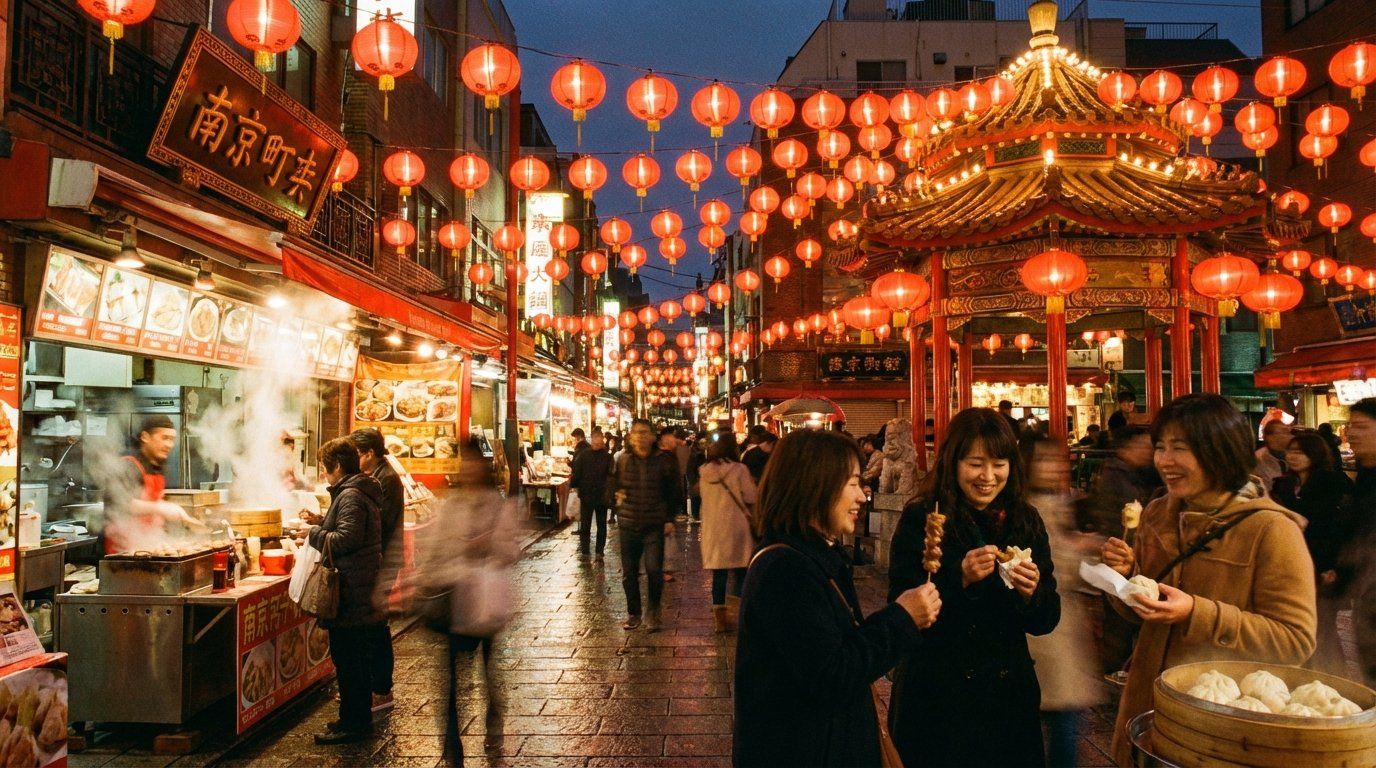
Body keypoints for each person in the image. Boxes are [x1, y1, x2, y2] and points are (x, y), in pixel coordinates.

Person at [1099, 394, 1316, 766]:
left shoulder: (1272, 530)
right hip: (1149, 708)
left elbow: (1295, 640)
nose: (1165, 460)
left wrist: (1194, 613)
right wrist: (1126, 581)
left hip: (1223, 730)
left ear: (1220, 450)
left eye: (1179, 448)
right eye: (1161, 446)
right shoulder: (1156, 514)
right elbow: (1139, 613)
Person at [733, 430, 942, 767]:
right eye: (852, 483)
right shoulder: (785, 569)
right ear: (815, 485)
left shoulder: (814, 557)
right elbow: (832, 673)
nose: (862, 496)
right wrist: (902, 618)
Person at [888, 407, 1060, 768]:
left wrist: (1033, 594)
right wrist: (959, 579)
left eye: (999, 463)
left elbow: (1046, 619)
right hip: (939, 698)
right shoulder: (923, 517)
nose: (988, 476)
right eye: (975, 463)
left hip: (1007, 698)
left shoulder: (1025, 520)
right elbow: (899, 606)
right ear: (953, 462)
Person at [1021, 435, 1104, 768]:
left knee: (1061, 721)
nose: (1054, 467)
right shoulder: (1030, 510)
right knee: (1061, 723)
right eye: (1043, 459)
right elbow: (1050, 565)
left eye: (1057, 459)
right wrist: (1083, 549)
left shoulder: (1055, 503)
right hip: (1045, 633)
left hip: (1062, 630)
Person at [302, 437, 384, 745]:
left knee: (350, 659)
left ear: (337, 466)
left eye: (324, 468)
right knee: (350, 658)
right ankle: (351, 718)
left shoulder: (350, 495)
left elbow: (347, 538)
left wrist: (313, 533)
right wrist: (322, 522)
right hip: (359, 586)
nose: (324, 474)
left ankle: (355, 723)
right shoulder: (357, 491)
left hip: (352, 589)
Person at [1271, 430, 1355, 676]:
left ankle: (1332, 676)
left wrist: (1333, 566)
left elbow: (1340, 528)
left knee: (1322, 624)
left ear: (1315, 455)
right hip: (1292, 562)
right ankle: (1304, 673)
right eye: (1290, 451)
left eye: (1300, 452)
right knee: (1298, 621)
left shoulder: (1334, 483)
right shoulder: (1282, 484)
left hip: (1323, 563)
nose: (1293, 457)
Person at [349, 428, 404, 715]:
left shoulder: (385, 480)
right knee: (374, 625)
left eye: (355, 454)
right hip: (382, 559)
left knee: (376, 627)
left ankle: (382, 690)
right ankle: (376, 687)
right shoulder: (380, 475)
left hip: (383, 561)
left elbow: (377, 523)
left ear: (369, 453)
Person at [613, 419, 682, 631]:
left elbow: (674, 492)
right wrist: (617, 501)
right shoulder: (623, 460)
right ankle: (634, 613)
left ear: (653, 436)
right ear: (630, 436)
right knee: (629, 572)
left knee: (654, 570)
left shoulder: (664, 460)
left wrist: (670, 518)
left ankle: (653, 611)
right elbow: (613, 486)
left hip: (654, 524)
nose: (640, 436)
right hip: (628, 523)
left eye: (644, 432)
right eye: (636, 433)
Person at [102, 415, 204, 553]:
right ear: (145, 437)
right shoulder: (128, 464)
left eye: (172, 439)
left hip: (146, 544)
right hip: (121, 550)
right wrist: (160, 508)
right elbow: (119, 505)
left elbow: (150, 503)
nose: (170, 445)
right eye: (164, 438)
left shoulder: (156, 465)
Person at [697, 430, 757, 633]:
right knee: (741, 573)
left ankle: (720, 621)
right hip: (736, 527)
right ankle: (738, 615)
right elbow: (751, 497)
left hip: (713, 529)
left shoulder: (704, 471)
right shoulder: (739, 470)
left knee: (719, 575)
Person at [1339, 398, 1376, 686]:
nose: (1351, 433)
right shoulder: (1366, 474)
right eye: (1351, 425)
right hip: (1366, 591)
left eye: (1361, 426)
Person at [1081, 426, 1161, 538]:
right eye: (1141, 446)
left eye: (1149, 447)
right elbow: (1112, 519)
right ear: (1125, 449)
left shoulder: (1146, 472)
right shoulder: (1115, 476)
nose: (1147, 451)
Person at [569, 430, 614, 561]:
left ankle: (591, 551)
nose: (596, 442)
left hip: (595, 495)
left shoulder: (587, 455)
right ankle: (593, 551)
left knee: (592, 524)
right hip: (593, 495)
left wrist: (575, 486)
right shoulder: (605, 456)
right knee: (593, 524)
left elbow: (576, 474)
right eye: (595, 440)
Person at [1255, 419, 1291, 493]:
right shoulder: (1259, 458)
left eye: (1287, 432)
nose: (1287, 435)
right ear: (1269, 437)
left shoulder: (1291, 455)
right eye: (1283, 431)